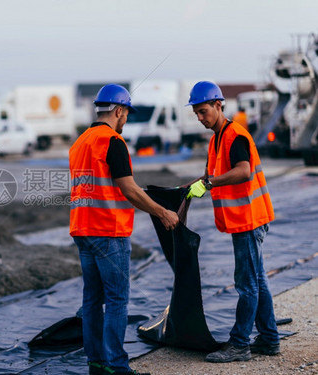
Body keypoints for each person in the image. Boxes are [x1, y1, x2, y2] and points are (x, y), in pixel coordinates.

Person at [69, 84, 179, 375]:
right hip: (108, 232)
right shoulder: (112, 141)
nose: (126, 120)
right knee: (117, 299)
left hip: (83, 230)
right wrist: (162, 211)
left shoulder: (80, 142)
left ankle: (96, 362)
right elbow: (128, 189)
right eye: (126, 114)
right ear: (118, 111)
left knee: (92, 299)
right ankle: (117, 366)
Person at [185, 81, 279, 363]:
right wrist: (186, 192)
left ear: (218, 105)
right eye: (196, 114)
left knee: (247, 284)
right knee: (257, 281)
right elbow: (207, 177)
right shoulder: (216, 140)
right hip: (243, 221)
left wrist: (210, 183)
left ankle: (240, 344)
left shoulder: (235, 136)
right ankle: (270, 338)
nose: (200, 118)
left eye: (203, 112)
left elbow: (244, 172)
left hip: (249, 220)